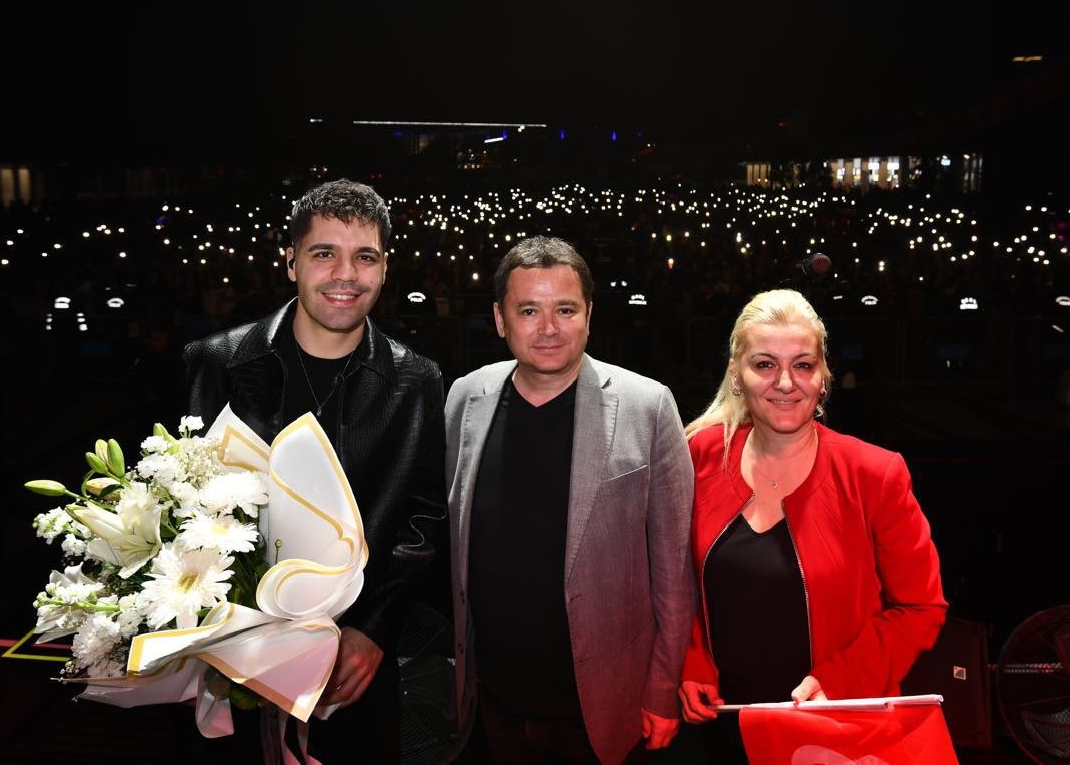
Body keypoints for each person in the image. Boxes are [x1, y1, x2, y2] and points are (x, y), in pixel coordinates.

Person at [183, 178, 446, 763]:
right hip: (230, 653)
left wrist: (373, 629)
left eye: (365, 257)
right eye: (324, 253)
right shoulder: (216, 362)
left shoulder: (416, 380)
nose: (345, 274)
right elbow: (181, 500)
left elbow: (425, 520)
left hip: (352, 664)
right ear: (291, 262)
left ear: (385, 268)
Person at [444, 236, 695, 764]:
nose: (549, 328)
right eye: (528, 311)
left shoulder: (648, 406)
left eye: (565, 309)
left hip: (602, 708)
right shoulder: (466, 398)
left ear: (589, 316)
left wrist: (662, 688)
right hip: (492, 703)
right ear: (500, 319)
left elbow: (674, 573)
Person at [677, 289, 946, 764]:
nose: (785, 382)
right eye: (764, 364)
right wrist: (692, 661)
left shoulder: (874, 474)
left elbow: (921, 607)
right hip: (720, 725)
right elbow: (674, 582)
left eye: (802, 365)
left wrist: (841, 681)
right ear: (737, 375)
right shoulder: (701, 455)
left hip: (833, 731)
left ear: (823, 378)